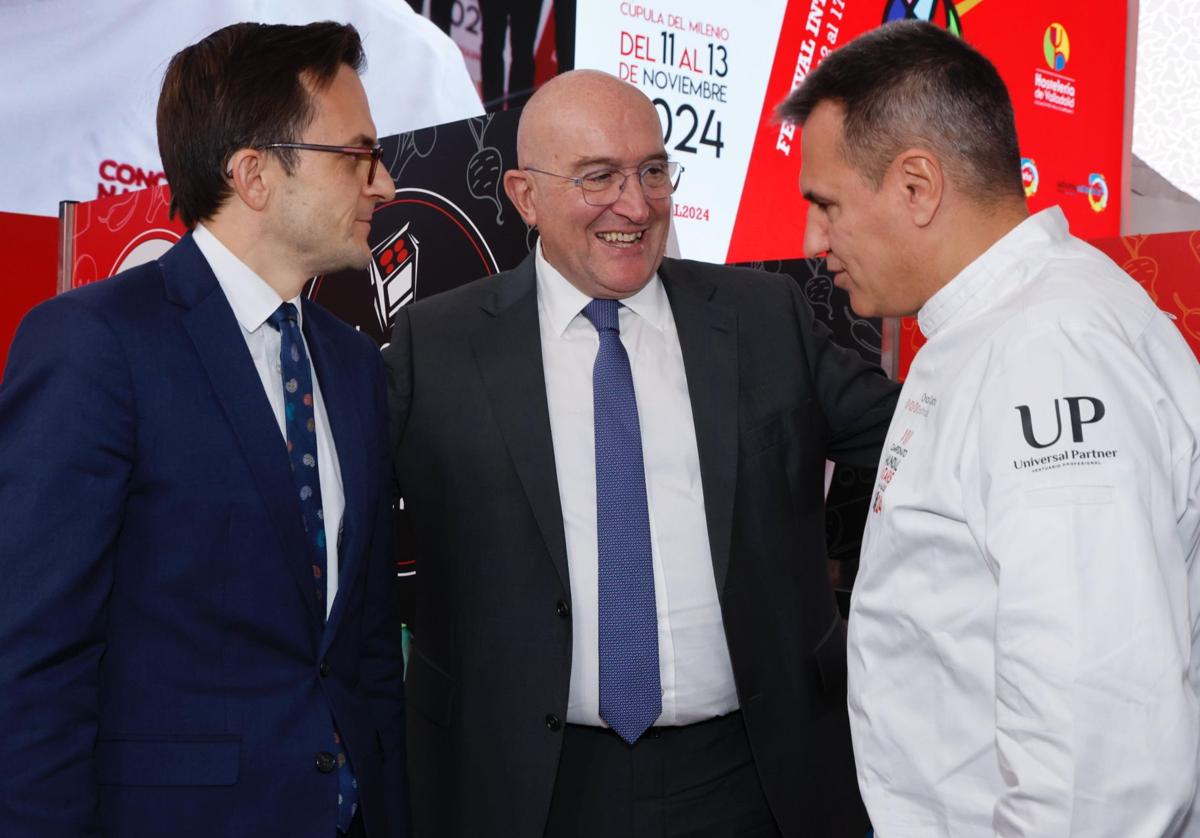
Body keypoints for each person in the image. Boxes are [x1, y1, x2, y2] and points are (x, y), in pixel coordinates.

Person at [384, 68, 899, 837]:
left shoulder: (764, 319)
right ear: (526, 196)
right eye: (599, 177)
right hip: (533, 787)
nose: (636, 203)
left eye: (652, 170)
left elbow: (918, 434)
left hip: (754, 775)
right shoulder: (440, 346)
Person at [779, 20, 1200, 836]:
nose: (813, 241)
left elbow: (1098, 772)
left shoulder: (1048, 353)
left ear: (917, 186)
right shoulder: (1001, 328)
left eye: (827, 204)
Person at [0, 21, 409, 837]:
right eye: (358, 155)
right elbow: (33, 667)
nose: (386, 185)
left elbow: (360, 652)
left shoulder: (356, 367)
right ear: (253, 172)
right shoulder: (93, 345)